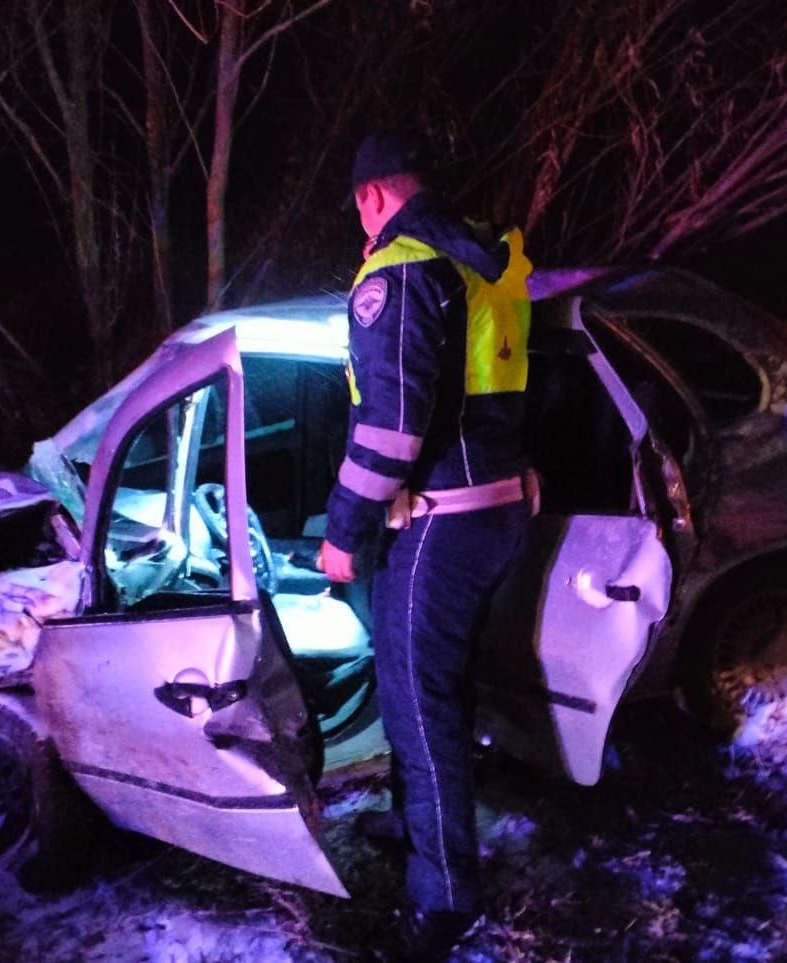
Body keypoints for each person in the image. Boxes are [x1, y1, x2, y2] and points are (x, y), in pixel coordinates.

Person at [318, 132, 536, 959]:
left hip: (442, 515)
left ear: (373, 196)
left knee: (416, 702)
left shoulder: (400, 270)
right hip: (496, 505)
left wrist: (343, 531)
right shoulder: (481, 256)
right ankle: (418, 824)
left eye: (357, 212)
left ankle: (445, 897)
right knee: (438, 686)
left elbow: (392, 425)